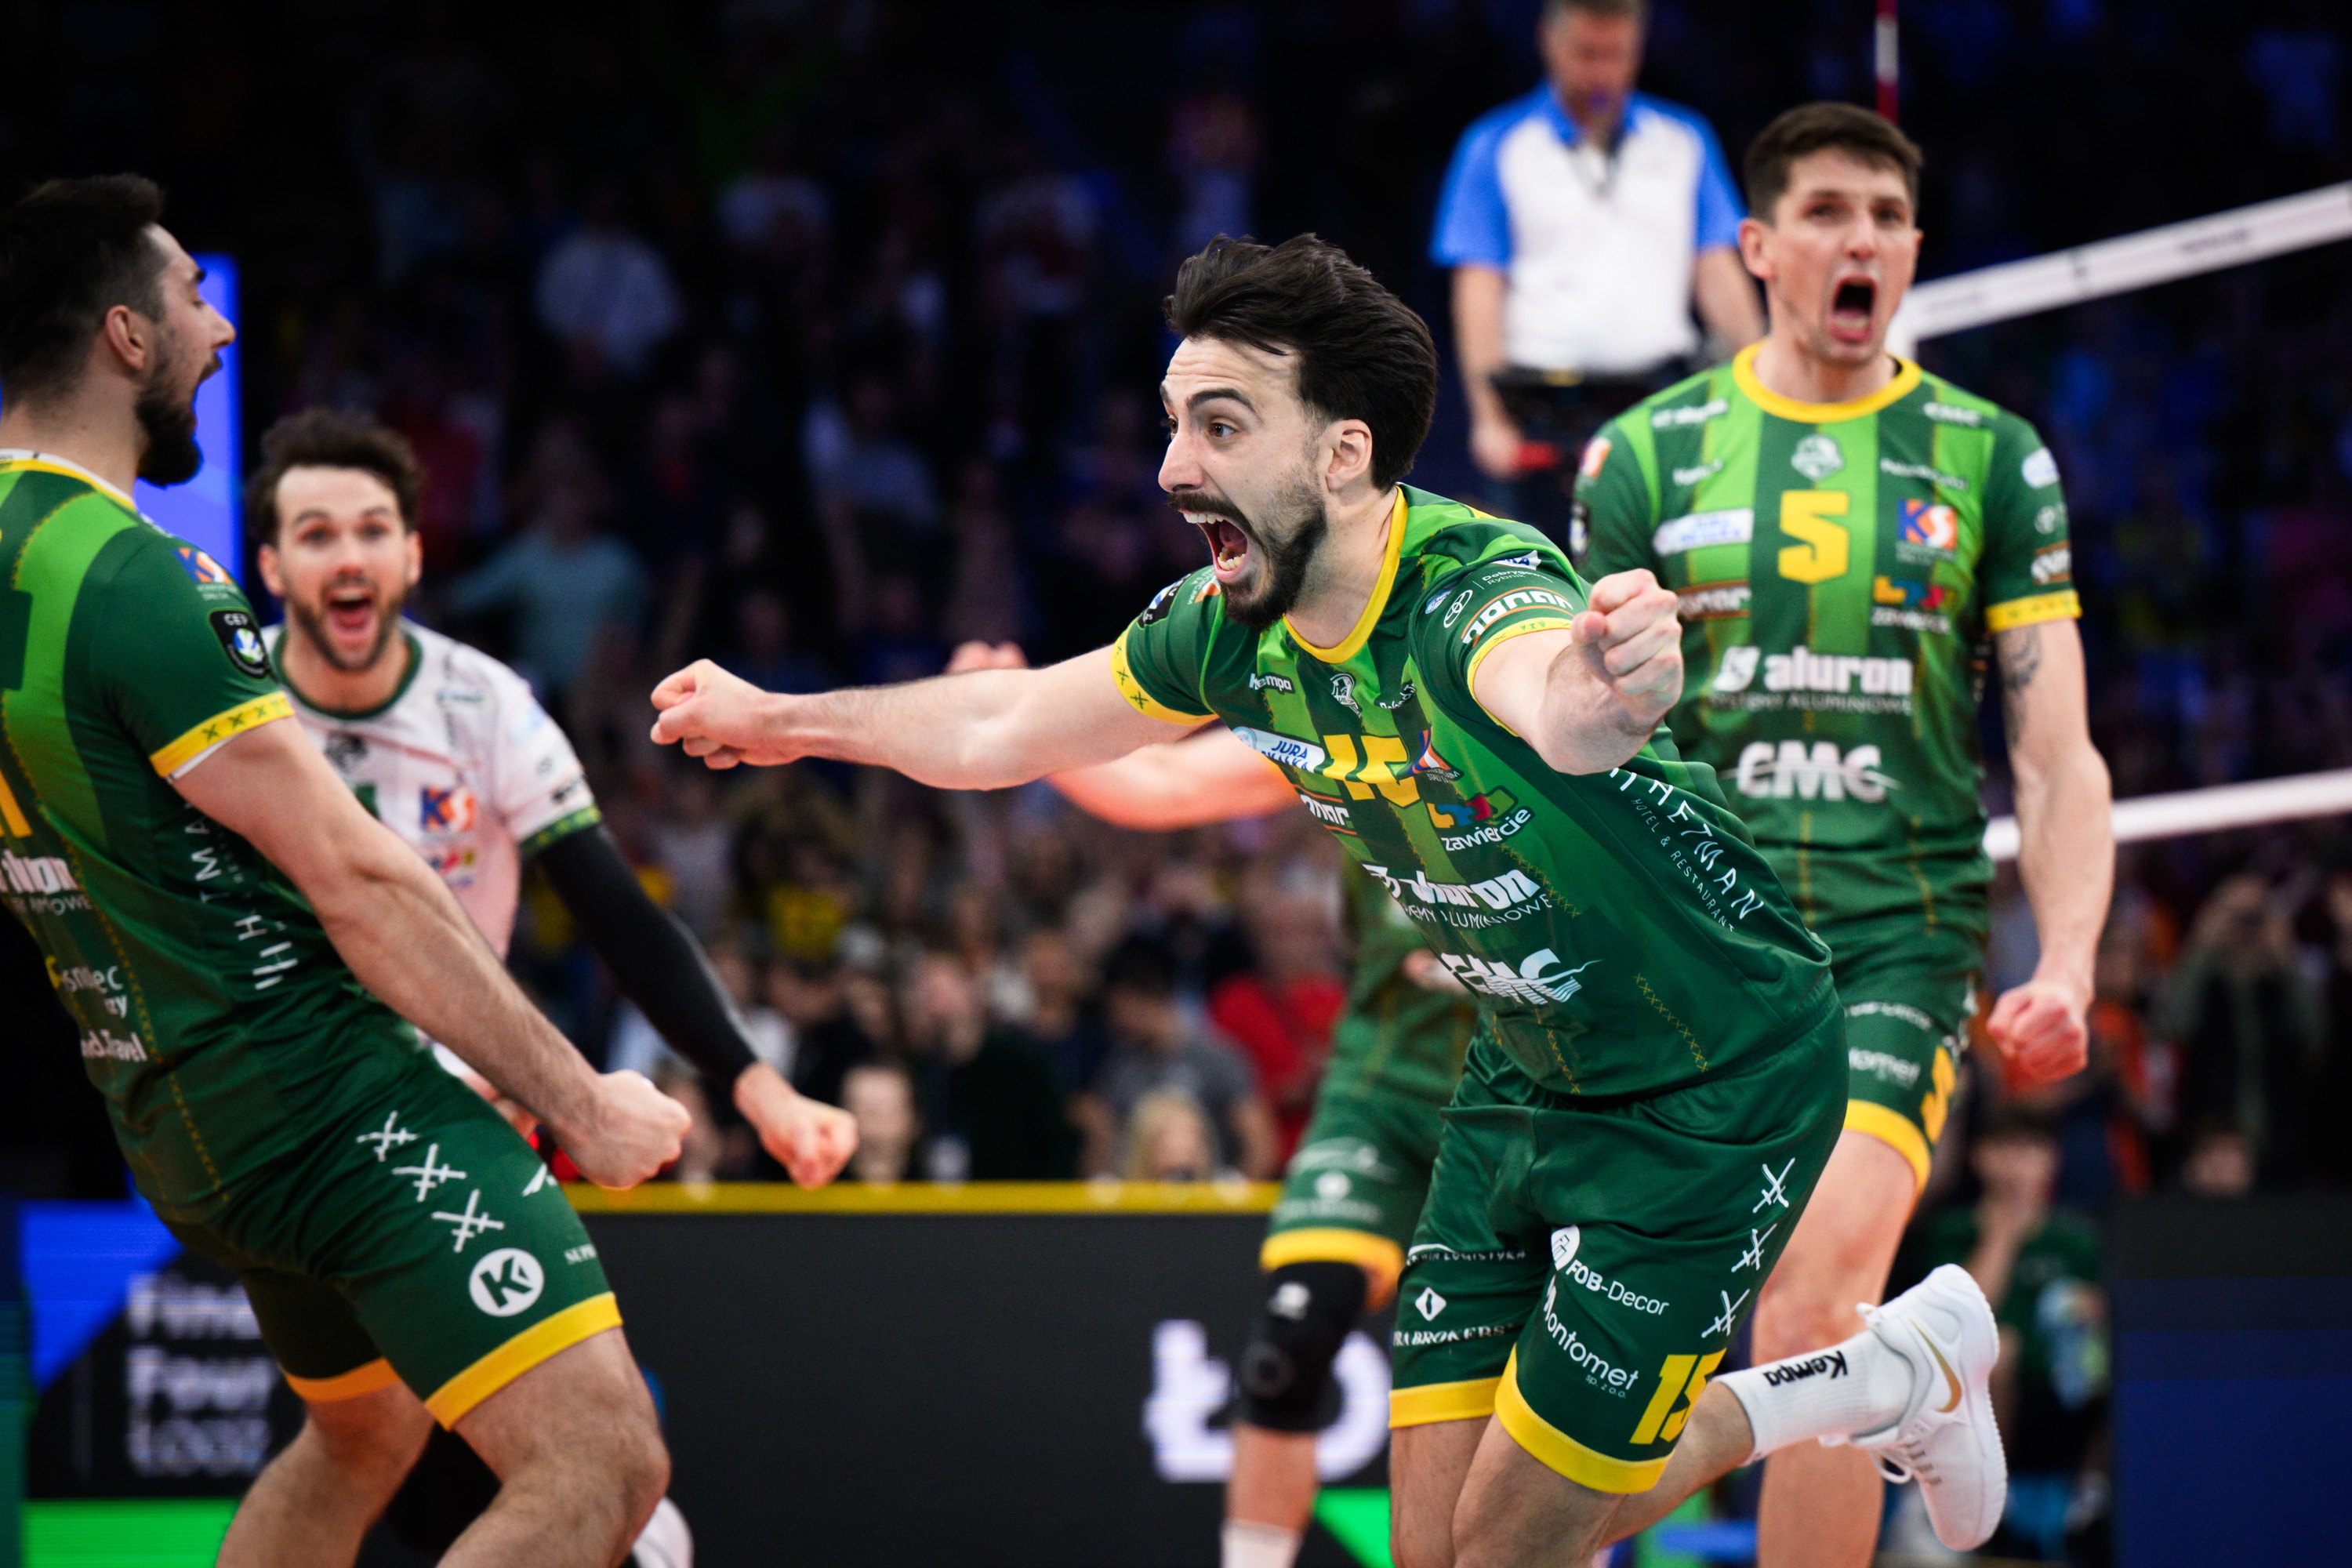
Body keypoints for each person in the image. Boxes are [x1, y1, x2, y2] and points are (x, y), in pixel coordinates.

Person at [648, 232, 2005, 1565]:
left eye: (1221, 426)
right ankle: (1888, 1373)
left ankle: (1873, 1377)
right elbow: (1006, 722)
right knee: (1434, 1550)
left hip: (1715, 1073)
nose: (1174, 468)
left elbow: (1553, 698)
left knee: (1513, 1547)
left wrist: (1607, 688)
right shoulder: (1225, 631)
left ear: (1342, 454)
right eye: (1174, 423)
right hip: (1525, 1064)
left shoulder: (1472, 589)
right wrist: (786, 719)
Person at [0, 175, 688, 1566]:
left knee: (361, 1436)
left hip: (170, 1112)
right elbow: (359, 884)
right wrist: (583, 1102)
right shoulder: (136, 578)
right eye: (193, 297)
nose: (220, 330)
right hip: (325, 1099)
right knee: (604, 1466)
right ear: (125, 335)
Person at [1577, 103, 2115, 1567]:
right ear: (1757, 248)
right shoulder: (1645, 455)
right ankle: (1921, 1371)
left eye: (1884, 215)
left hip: (1898, 938)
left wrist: (2067, 962)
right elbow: (1581, 739)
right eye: (1824, 211)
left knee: (1813, 1301)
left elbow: (2055, 754)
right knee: (1633, 1337)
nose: (1858, 238)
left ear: (1915, 249)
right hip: (1700, 942)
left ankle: (1895, 1363)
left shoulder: (1992, 457)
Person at [1432, 0, 1762, 545]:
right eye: (1586, 54)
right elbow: (1478, 292)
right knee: (1543, 581)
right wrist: (1490, 420)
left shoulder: (1684, 140)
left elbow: (1720, 276)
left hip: (1661, 400)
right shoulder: (1494, 146)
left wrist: (1759, 386)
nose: (1601, 73)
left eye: (1617, 55)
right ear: (1548, 41)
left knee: (1665, 575)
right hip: (1540, 414)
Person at [1083, 935, 1277, 1180]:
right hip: (1137, 1197)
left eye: (1121, 1010)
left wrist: (1235, 1193)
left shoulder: (1217, 1058)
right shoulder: (1118, 1066)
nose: (1117, 1022)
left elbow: (1260, 1142)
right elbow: (1102, 1145)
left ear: (1147, 1000)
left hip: (1207, 1194)